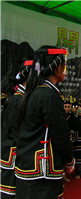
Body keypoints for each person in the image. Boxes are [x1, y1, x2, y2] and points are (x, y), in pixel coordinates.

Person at [15, 47, 74, 198]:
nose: (65, 70)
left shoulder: (31, 93)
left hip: (26, 165)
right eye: (64, 65)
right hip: (41, 170)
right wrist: (69, 161)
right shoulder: (49, 95)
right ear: (56, 66)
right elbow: (60, 133)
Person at [1, 58, 32, 199]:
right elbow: (16, 131)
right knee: (10, 192)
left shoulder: (22, 98)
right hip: (12, 154)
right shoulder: (17, 100)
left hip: (17, 153)